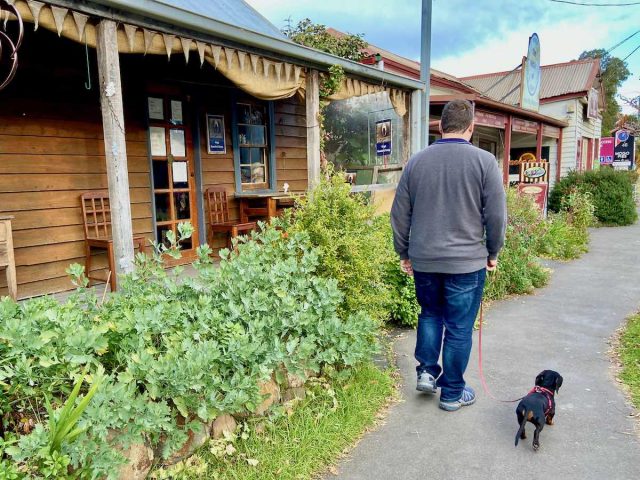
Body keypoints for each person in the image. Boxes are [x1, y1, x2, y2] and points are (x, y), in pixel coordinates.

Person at [390, 99, 506, 412]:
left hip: (425, 259)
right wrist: (493, 251)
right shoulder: (484, 162)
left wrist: (404, 250)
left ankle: (427, 371)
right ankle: (452, 392)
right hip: (467, 263)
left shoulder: (417, 162)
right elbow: (496, 215)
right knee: (458, 328)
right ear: (471, 128)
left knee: (430, 314)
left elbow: (399, 213)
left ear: (440, 126)